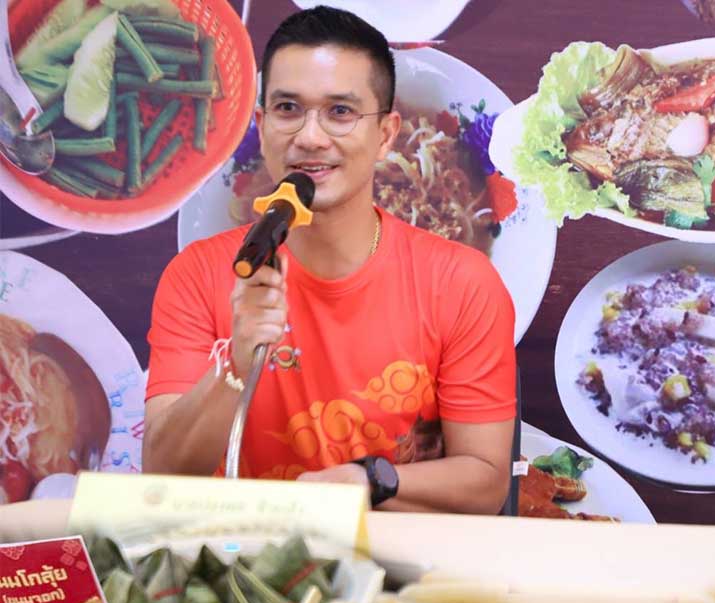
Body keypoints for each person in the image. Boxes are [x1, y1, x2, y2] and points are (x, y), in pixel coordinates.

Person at [143, 6, 516, 514]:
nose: (310, 137)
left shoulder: (463, 282)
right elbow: (161, 475)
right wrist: (236, 363)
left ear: (386, 134)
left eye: (340, 112)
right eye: (287, 108)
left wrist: (370, 480)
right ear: (262, 126)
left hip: (395, 553)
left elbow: (486, 485)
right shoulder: (198, 275)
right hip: (245, 551)